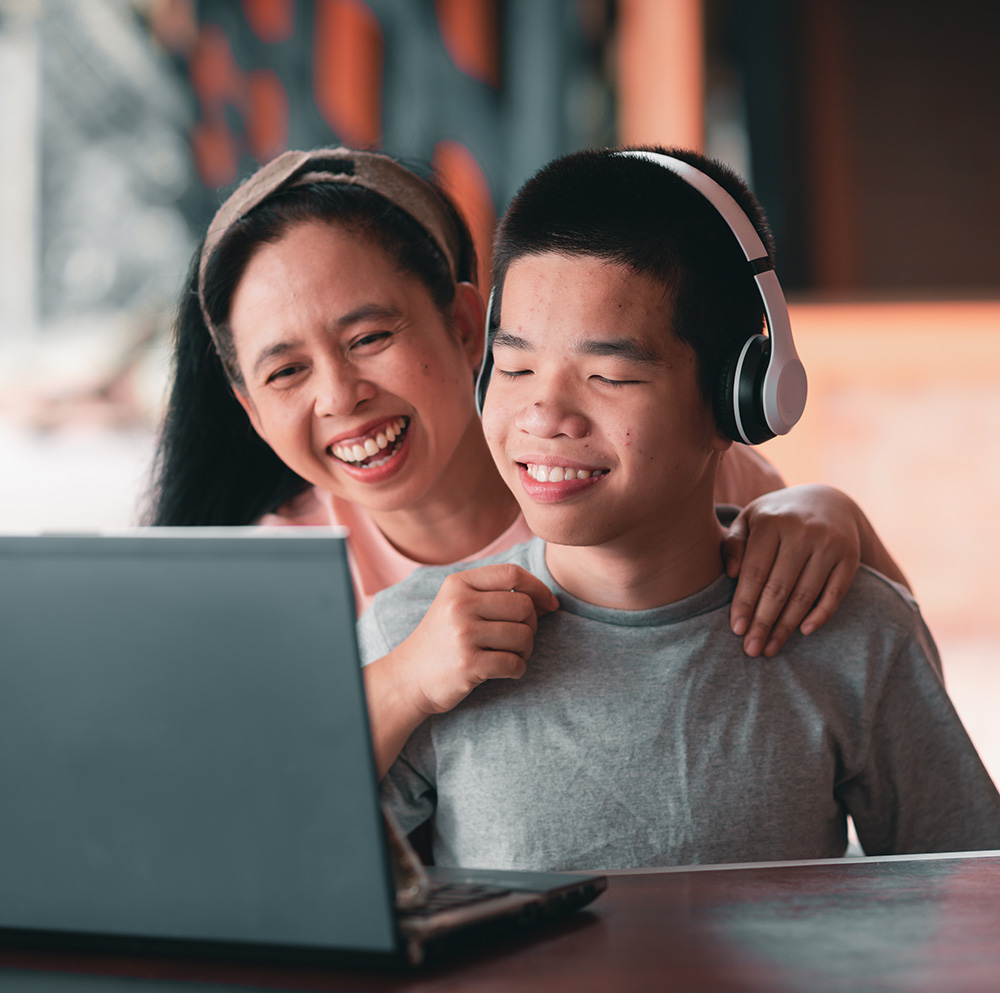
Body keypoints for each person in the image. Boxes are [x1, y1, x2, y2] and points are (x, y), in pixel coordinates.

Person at [366, 146, 1000, 870]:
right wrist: (401, 687)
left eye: (608, 375)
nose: (543, 413)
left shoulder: (847, 630)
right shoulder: (416, 641)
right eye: (512, 368)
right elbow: (269, 865)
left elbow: (973, 900)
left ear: (744, 398)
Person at [147, 146, 906, 674]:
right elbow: (258, 816)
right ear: (248, 409)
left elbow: (892, 682)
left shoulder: (661, 473)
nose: (341, 397)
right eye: (285, 371)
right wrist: (403, 681)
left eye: (371, 336)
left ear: (465, 324)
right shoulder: (263, 584)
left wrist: (836, 519)